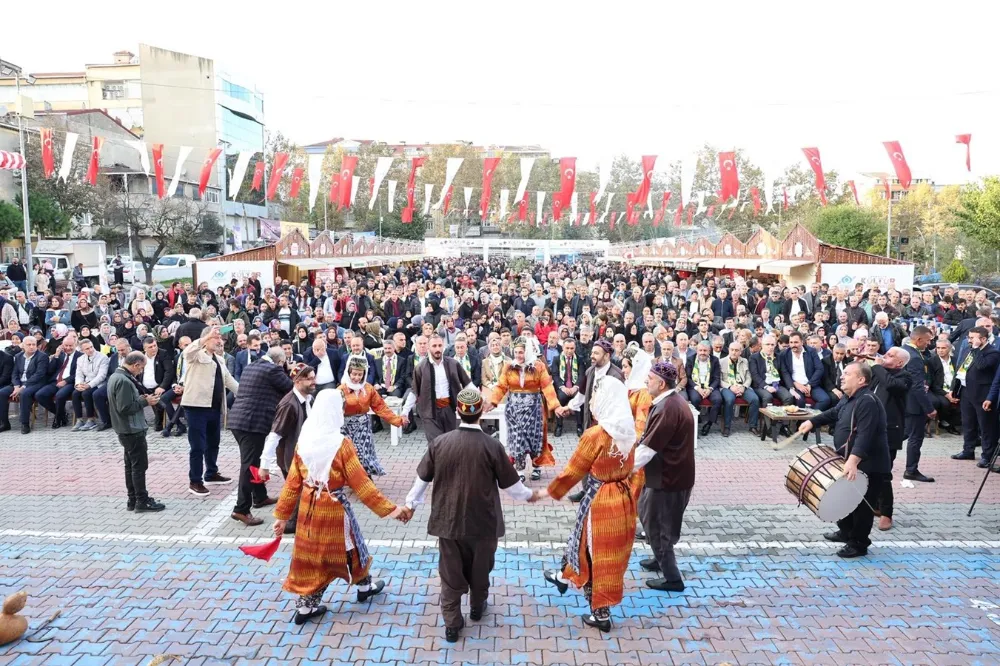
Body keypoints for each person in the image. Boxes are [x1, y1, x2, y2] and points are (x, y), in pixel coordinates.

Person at [403, 388, 535, 642]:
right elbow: (513, 488)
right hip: (483, 522)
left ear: (457, 412)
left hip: (448, 521)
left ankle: (452, 624)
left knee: (450, 573)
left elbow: (422, 480)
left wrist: (410, 505)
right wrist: (532, 495)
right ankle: (477, 606)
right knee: (481, 567)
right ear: (481, 412)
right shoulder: (492, 446)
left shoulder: (440, 443)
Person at [271, 390, 407, 625]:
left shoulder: (304, 442)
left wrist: (282, 517)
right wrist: (391, 510)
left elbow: (292, 484)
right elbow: (362, 484)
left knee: (320, 551)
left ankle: (361, 586)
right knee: (341, 548)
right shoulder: (341, 444)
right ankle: (308, 604)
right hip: (334, 507)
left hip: (308, 508)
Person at [539, 376, 637, 632]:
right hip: (623, 500)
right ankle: (563, 576)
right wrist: (632, 497)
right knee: (604, 552)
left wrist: (550, 492)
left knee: (593, 553)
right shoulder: (629, 431)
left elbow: (574, 470)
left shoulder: (596, 435)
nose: (592, 401)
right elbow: (636, 471)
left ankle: (600, 613)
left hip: (599, 500)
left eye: (595, 396)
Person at [798, 361, 889, 558]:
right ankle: (846, 532)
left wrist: (853, 460)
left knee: (862, 506)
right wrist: (812, 421)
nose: (841, 376)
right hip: (853, 460)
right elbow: (834, 413)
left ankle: (859, 544)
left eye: (847, 374)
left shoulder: (867, 401)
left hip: (870, 464)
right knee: (845, 499)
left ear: (861, 380)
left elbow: (866, 434)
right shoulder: (849, 398)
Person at [629, 361, 695, 592]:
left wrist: (621, 470)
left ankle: (672, 578)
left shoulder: (668, 408)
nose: (646, 381)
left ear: (661, 383)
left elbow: (648, 449)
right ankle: (660, 558)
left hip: (669, 479)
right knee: (646, 512)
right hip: (666, 475)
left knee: (658, 526)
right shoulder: (670, 402)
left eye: (649, 379)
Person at [228, 346, 294, 526]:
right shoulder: (273, 370)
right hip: (252, 423)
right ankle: (241, 509)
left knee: (254, 460)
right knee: (249, 465)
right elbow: (291, 387)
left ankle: (259, 496)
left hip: (239, 420)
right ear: (280, 361)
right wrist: (289, 371)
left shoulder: (252, 366)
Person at [482, 336, 561, 482]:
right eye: (516, 352)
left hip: (534, 411)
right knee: (517, 439)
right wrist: (493, 402)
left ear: (528, 351)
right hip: (514, 411)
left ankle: (536, 467)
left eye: (521, 352)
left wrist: (556, 406)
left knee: (534, 439)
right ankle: (520, 471)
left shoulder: (538, 366)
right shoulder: (508, 367)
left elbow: (547, 387)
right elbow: (501, 386)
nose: (518, 356)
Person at [182, 327, 239, 497]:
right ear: (206, 339)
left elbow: (229, 380)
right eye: (216, 338)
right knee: (197, 446)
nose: (219, 341)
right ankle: (195, 481)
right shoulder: (196, 355)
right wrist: (207, 335)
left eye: (220, 338)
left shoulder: (219, 359)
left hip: (214, 407)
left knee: (213, 443)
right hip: (196, 407)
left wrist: (246, 394)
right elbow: (187, 352)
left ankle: (211, 473)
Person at [261, 363, 316, 535]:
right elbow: (274, 435)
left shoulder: (308, 399)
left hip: (303, 455)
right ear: (297, 381)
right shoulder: (289, 405)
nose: (313, 382)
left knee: (301, 490)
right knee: (296, 491)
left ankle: (297, 520)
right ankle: (291, 522)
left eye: (314, 377)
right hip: (290, 457)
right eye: (309, 379)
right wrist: (264, 465)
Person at [107, 351, 165, 513]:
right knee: (139, 466)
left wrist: (140, 399)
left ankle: (133, 499)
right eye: (141, 368)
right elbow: (125, 408)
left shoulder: (117, 376)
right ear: (136, 365)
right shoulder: (124, 381)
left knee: (130, 465)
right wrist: (145, 402)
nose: (141, 371)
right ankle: (141, 500)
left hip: (125, 428)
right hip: (132, 429)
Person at [339, 356, 407, 477]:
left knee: (364, 455)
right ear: (348, 373)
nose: (356, 378)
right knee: (349, 455)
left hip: (363, 428)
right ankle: (350, 479)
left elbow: (381, 407)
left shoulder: (368, 389)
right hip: (346, 429)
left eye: (360, 375)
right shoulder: (341, 390)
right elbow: (332, 411)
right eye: (354, 374)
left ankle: (365, 479)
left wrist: (397, 420)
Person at [869, 347, 913, 532]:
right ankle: (876, 505)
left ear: (900, 362)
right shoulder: (879, 373)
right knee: (868, 470)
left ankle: (887, 513)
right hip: (870, 429)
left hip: (889, 431)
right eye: (885, 353)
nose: (884, 356)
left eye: (890, 355)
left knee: (883, 473)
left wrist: (877, 366)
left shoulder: (905, 377)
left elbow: (890, 384)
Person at [411, 334, 474, 443]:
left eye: (440, 345)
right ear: (428, 347)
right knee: (436, 443)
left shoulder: (453, 364)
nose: (437, 349)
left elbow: (467, 384)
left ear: (443, 346)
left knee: (450, 442)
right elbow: (414, 391)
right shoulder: (421, 367)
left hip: (448, 408)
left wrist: (481, 398)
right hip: (429, 411)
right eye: (434, 346)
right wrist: (405, 411)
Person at [902, 326, 937, 483]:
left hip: (905, 401)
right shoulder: (915, 357)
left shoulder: (904, 350)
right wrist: (929, 408)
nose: (929, 344)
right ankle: (911, 470)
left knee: (904, 433)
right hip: (914, 404)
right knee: (915, 438)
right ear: (919, 339)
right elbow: (917, 386)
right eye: (928, 341)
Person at [961, 327, 1000, 468]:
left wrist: (976, 349)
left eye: (973, 338)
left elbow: (981, 366)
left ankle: (987, 456)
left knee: (986, 427)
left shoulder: (993, 353)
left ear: (983, 339)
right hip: (966, 391)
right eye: (969, 337)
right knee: (968, 423)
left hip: (983, 394)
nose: (969, 340)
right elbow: (962, 368)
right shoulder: (969, 350)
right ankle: (968, 450)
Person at [3, 336, 48, 434]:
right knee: (2, 393)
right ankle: (4, 423)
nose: (32, 347)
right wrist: (16, 386)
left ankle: (25, 423)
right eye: (29, 344)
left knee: (24, 393)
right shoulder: (18, 356)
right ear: (23, 345)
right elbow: (14, 373)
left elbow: (39, 375)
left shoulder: (42, 356)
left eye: (34, 344)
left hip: (35, 383)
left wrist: (23, 387)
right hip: (19, 383)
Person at [35, 335, 82, 429]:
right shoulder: (60, 355)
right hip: (55, 381)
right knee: (40, 395)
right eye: (66, 345)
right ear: (62, 345)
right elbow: (50, 371)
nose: (68, 348)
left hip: (70, 382)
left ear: (75, 345)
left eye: (70, 345)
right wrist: (56, 356)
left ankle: (57, 418)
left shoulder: (80, 356)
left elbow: (79, 373)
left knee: (60, 396)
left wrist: (66, 381)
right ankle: (62, 414)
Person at [719, 341, 760, 437]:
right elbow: (719, 380)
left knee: (755, 399)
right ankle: (727, 427)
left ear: (740, 352)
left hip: (742, 386)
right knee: (729, 399)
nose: (734, 352)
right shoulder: (721, 361)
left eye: (736, 350)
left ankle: (753, 426)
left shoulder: (745, 361)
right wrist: (730, 387)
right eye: (732, 350)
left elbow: (749, 377)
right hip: (727, 387)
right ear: (728, 350)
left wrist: (744, 387)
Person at [70, 338, 109, 431]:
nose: (91, 350)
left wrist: (89, 385)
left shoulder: (103, 357)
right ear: (82, 350)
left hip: (99, 384)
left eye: (91, 347)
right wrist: (78, 384)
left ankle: (91, 419)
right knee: (75, 393)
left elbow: (102, 376)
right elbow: (79, 374)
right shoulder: (80, 359)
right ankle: (79, 420)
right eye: (87, 348)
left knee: (86, 393)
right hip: (86, 383)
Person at [685, 341, 722, 436]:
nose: (702, 352)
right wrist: (698, 388)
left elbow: (717, 378)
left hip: (710, 386)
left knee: (718, 399)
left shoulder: (715, 360)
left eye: (705, 350)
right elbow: (688, 378)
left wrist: (710, 389)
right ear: (697, 350)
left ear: (709, 351)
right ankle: (696, 421)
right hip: (695, 386)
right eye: (700, 350)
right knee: (695, 399)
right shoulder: (690, 359)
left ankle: (709, 423)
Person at [550, 338, 583, 438]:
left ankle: (579, 426)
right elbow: (555, 375)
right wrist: (562, 387)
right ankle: (559, 425)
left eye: (572, 348)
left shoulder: (579, 359)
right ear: (563, 348)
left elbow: (581, 375)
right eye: (567, 348)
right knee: (560, 398)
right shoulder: (557, 359)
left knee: (579, 399)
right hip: (563, 387)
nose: (569, 350)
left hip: (575, 387)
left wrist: (575, 387)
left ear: (575, 348)